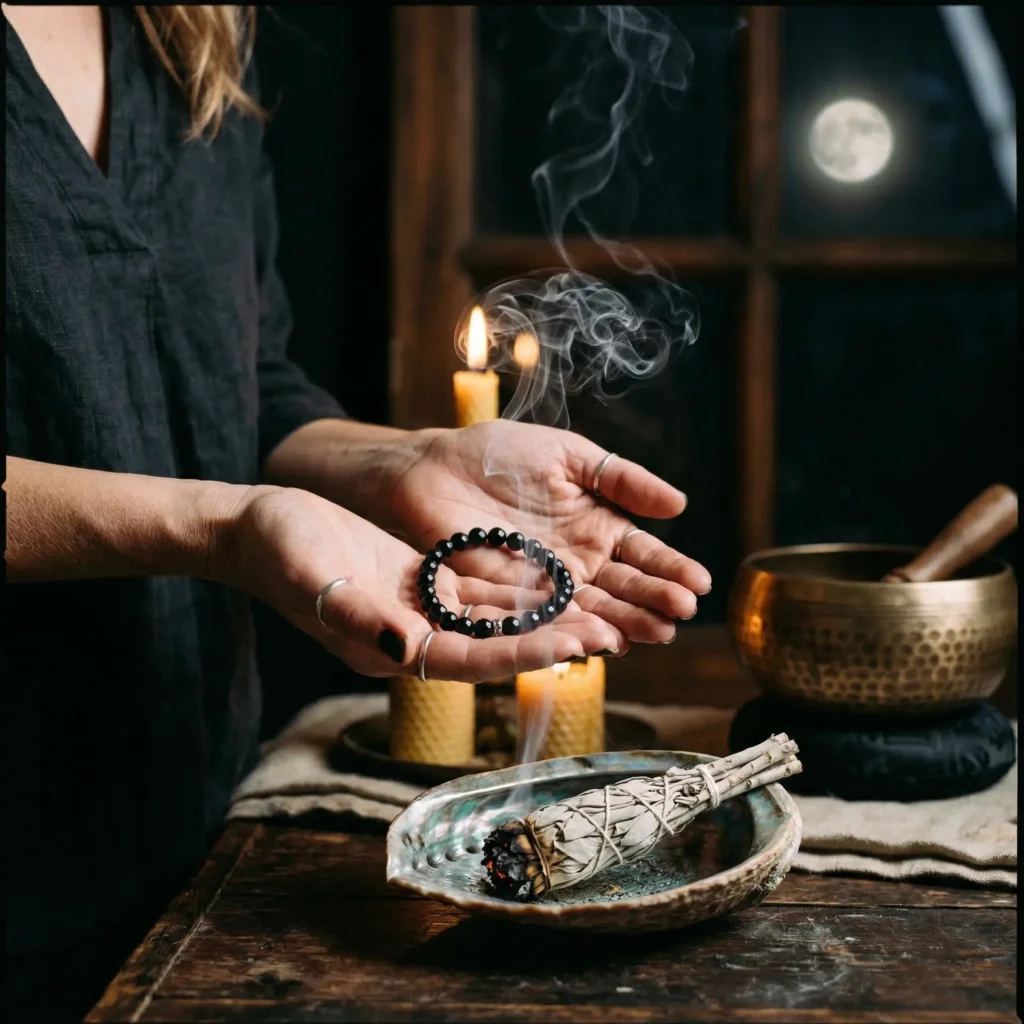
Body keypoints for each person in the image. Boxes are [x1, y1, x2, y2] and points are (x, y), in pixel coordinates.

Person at [4, 5, 711, 1018]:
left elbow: (240, 382)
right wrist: (228, 527)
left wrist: (405, 458)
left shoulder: (191, 24)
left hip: (200, 847)